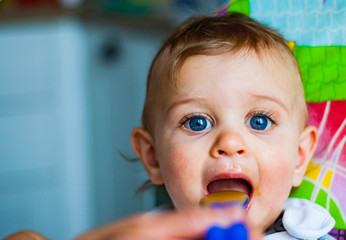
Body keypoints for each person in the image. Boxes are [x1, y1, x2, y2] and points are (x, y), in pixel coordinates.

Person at [76, 13, 335, 240]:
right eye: (197, 123)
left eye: (260, 121)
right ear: (153, 157)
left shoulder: (313, 233)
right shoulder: (141, 234)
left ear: (299, 157)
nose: (230, 142)